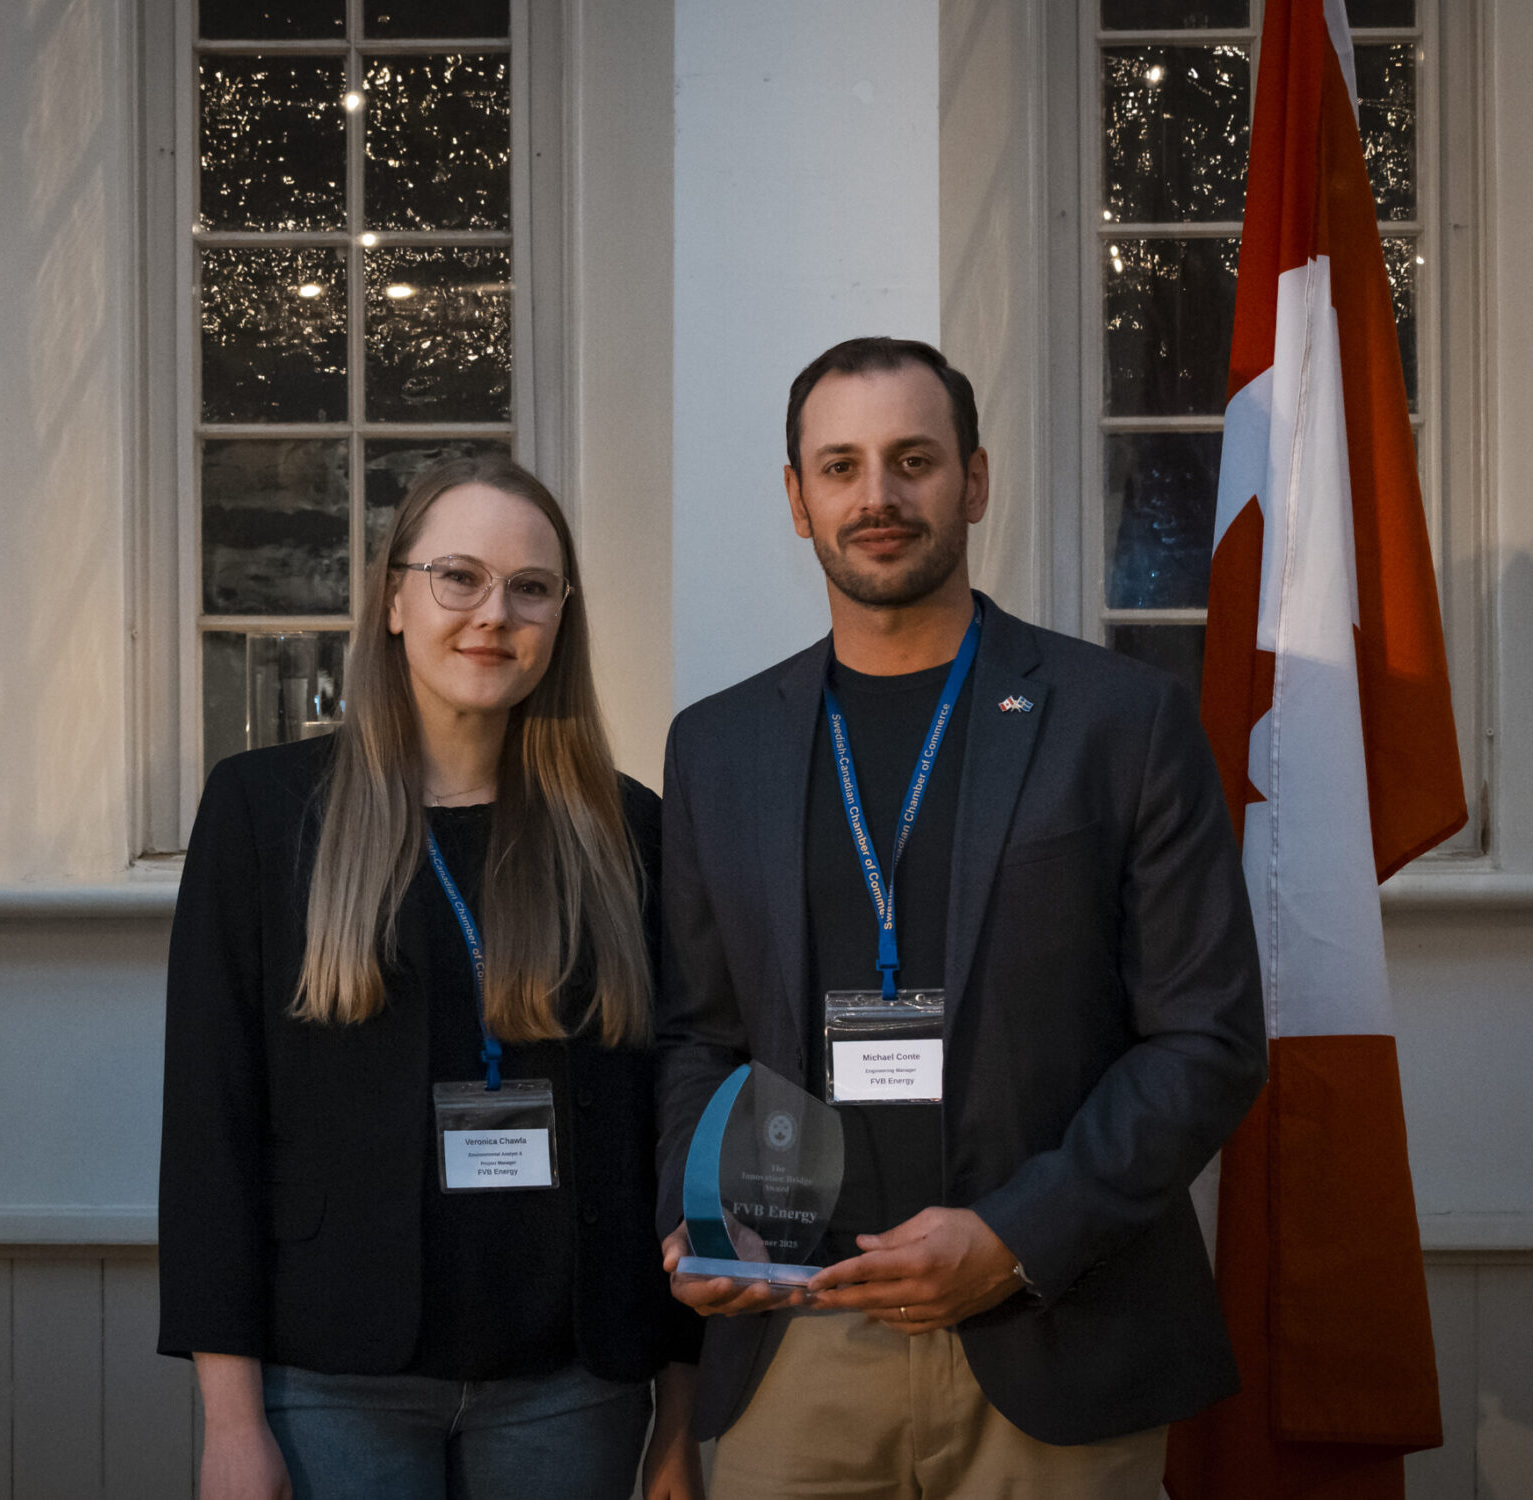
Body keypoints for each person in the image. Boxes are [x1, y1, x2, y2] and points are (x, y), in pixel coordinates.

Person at [654, 337, 1268, 1497]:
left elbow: (1207, 1039)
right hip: (797, 1347)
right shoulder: (717, 747)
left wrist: (1015, 1238)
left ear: (973, 481)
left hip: (1055, 1336)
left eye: (911, 460)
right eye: (837, 466)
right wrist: (694, 1217)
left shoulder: (1118, 721)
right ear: (796, 500)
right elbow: (698, 1031)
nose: (874, 497)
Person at [160, 453, 704, 1500]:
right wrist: (229, 1424)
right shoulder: (263, 814)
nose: (491, 614)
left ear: (561, 617)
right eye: (458, 576)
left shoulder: (625, 829)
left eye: (529, 588)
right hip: (333, 1381)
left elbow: (666, 1122)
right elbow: (209, 1128)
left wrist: (678, 1418)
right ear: (394, 600)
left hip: (573, 1386)